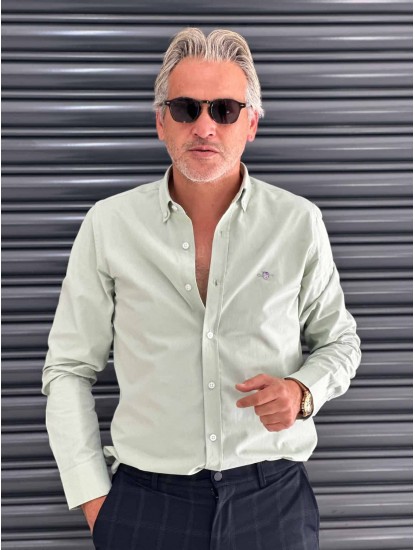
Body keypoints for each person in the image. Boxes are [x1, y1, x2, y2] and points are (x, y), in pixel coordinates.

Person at [41, 27, 362, 550]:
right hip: (146, 505)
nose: (205, 126)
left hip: (272, 503)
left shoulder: (298, 223)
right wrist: (96, 500)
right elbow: (69, 369)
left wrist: (303, 392)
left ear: (251, 122)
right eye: (187, 109)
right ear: (161, 122)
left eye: (226, 110)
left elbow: (340, 342)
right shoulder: (110, 225)